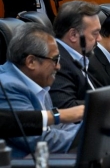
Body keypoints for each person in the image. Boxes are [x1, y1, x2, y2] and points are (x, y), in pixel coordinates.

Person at [0, 24, 83, 157]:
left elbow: (58, 126)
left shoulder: (37, 80)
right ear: (31, 62)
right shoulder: (7, 87)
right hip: (23, 166)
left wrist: (94, 128)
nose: (58, 67)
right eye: (55, 60)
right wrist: (88, 135)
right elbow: (40, 140)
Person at [50, 0, 101, 109]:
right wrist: (106, 103)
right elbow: (66, 107)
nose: (99, 39)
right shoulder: (57, 61)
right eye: (95, 33)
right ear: (73, 35)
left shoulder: (77, 56)